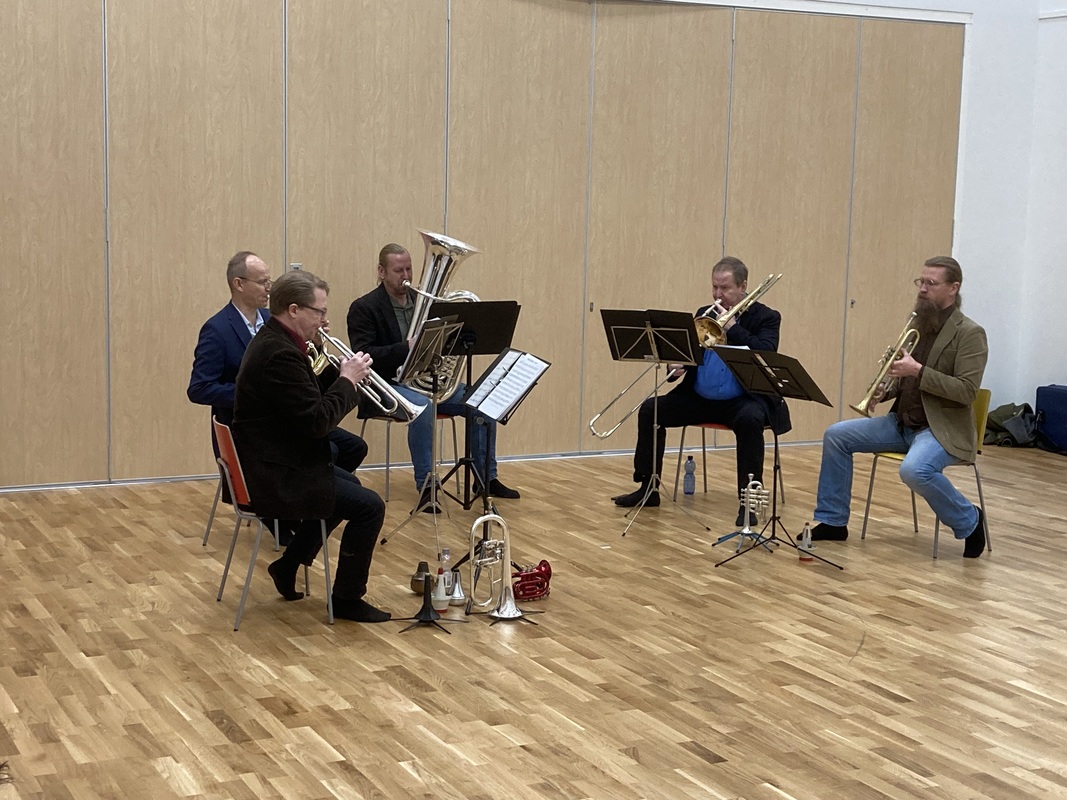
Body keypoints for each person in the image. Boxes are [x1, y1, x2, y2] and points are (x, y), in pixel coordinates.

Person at [232, 270, 390, 622]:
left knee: (349, 487)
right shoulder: (279, 353)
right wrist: (347, 380)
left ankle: (288, 564)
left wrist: (334, 369)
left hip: (281, 456)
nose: (323, 319)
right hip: (275, 473)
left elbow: (309, 399)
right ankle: (347, 598)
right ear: (294, 310)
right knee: (369, 507)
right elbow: (318, 421)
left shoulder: (280, 342)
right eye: (319, 312)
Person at [809, 256, 988, 558]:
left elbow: (966, 391)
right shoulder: (919, 322)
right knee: (836, 435)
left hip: (940, 429)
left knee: (914, 470)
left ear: (953, 288)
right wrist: (885, 390)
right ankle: (833, 521)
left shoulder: (970, 333)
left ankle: (970, 519)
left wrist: (917, 371)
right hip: (902, 422)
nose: (923, 289)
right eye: (921, 282)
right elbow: (905, 378)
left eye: (931, 283)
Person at [611, 256, 791, 526]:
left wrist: (733, 329)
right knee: (651, 409)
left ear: (743, 287)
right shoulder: (704, 313)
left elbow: (765, 352)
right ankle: (648, 488)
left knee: (750, 420)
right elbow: (690, 353)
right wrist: (676, 365)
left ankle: (749, 503)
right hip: (699, 398)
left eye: (725, 288)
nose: (718, 295)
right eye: (714, 287)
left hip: (742, 400)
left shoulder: (766, 317)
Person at [346, 243, 520, 512]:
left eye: (409, 269)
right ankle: (427, 487)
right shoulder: (364, 307)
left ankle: (486, 479)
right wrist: (407, 347)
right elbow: (365, 355)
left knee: (482, 402)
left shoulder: (426, 303)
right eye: (398, 270)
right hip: (386, 384)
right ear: (381, 272)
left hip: (426, 380)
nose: (406, 276)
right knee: (423, 408)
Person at [188, 250, 367, 468]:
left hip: (289, 415)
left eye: (269, 281)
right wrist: (259, 396)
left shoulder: (271, 318)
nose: (269, 288)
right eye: (262, 282)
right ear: (239, 284)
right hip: (250, 426)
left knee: (353, 446)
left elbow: (298, 372)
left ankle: (322, 484)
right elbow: (200, 388)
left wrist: (315, 343)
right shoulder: (217, 329)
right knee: (327, 449)